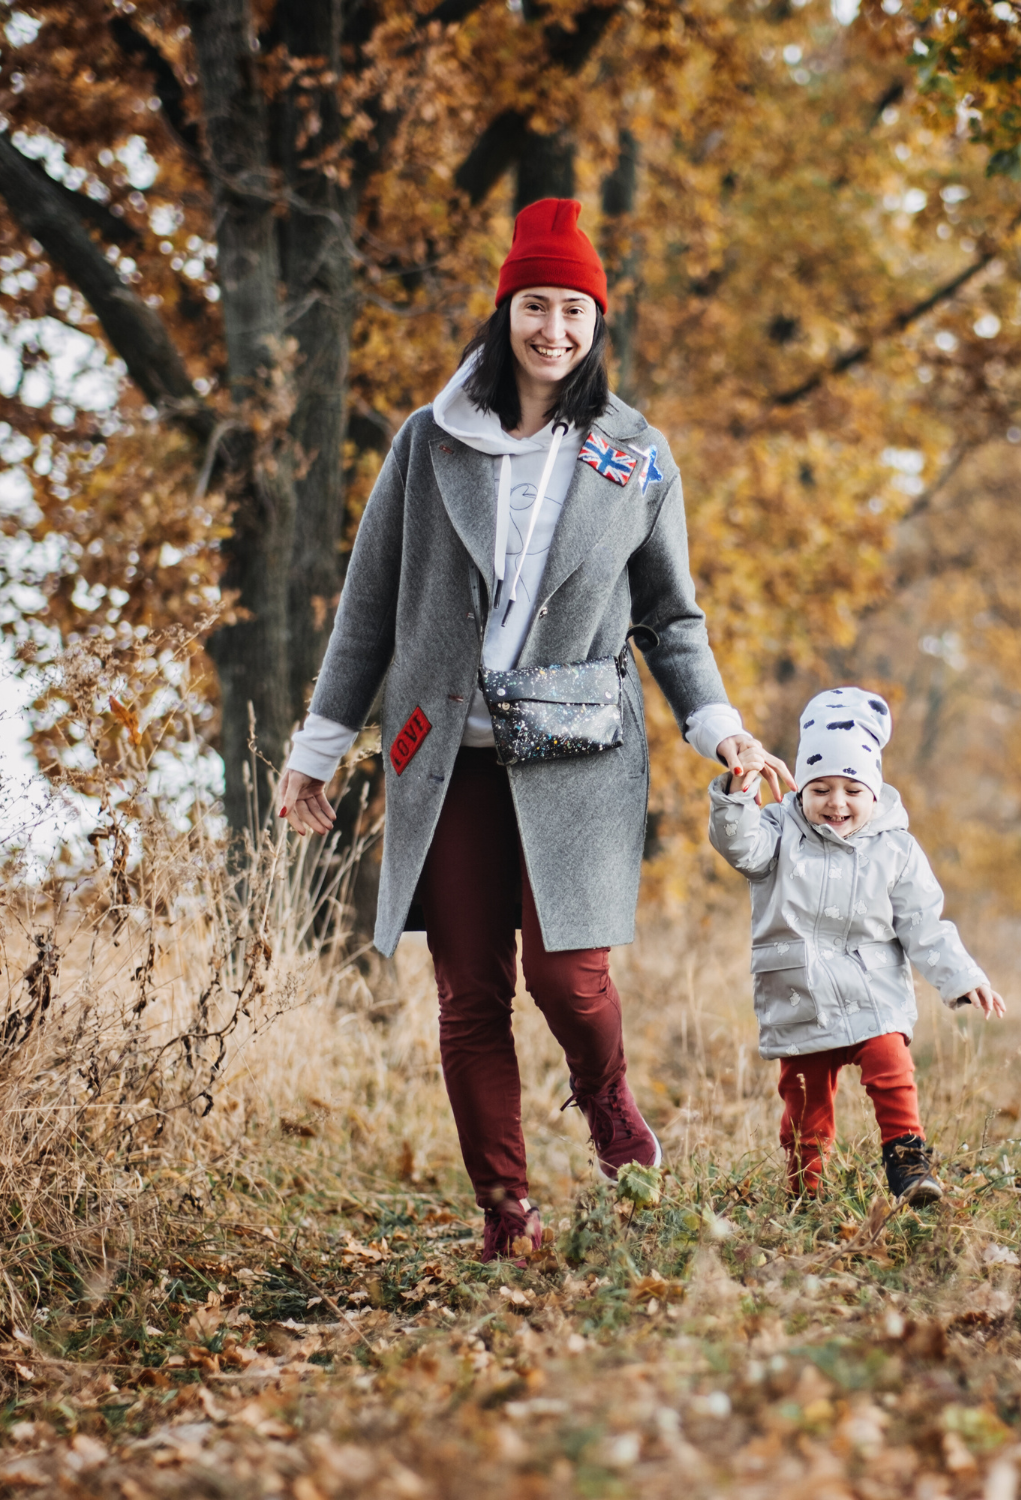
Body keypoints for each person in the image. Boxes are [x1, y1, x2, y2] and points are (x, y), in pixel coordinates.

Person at [278, 198, 792, 1261]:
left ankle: (606, 1103)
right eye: (536, 305)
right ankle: (506, 1211)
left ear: (596, 321)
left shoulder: (634, 454)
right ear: (505, 309)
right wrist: (316, 750)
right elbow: (370, 604)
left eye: (574, 309)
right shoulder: (431, 441)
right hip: (447, 758)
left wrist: (722, 729)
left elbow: (670, 614)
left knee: (570, 980)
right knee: (470, 998)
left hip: (580, 754)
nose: (554, 328)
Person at [708, 686, 1005, 1203]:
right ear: (800, 788)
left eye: (851, 789)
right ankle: (807, 1193)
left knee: (892, 1068)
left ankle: (910, 1166)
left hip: (873, 991)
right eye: (820, 788)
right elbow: (739, 847)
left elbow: (924, 924)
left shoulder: (896, 848)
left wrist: (964, 976)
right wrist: (740, 792)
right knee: (805, 1106)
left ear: (874, 790)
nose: (836, 803)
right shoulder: (777, 831)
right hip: (801, 992)